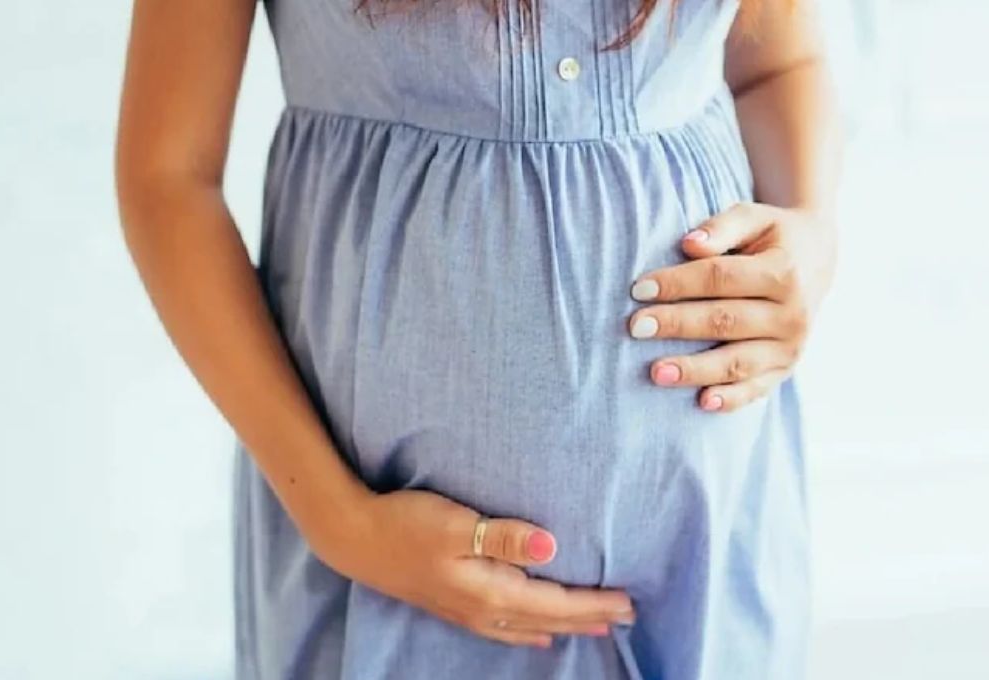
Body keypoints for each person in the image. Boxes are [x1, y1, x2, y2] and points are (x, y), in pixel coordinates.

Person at [114, 0, 840, 677]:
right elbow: (169, 175)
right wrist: (340, 522)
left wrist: (810, 240)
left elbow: (777, 63)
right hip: (384, 561)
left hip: (705, 547)